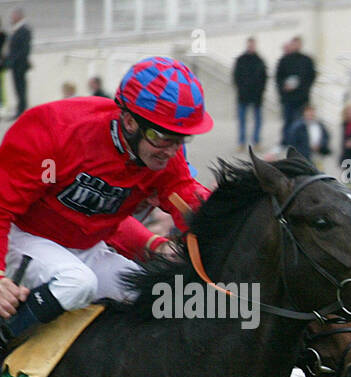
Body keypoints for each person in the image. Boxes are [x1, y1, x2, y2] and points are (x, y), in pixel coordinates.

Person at [0, 56, 212, 351]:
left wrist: (237, 218)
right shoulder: (54, 130)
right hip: (21, 237)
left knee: (159, 295)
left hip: (85, 250)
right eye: (162, 137)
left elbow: (190, 199)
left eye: (181, 139)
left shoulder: (164, 156)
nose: (172, 151)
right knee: (77, 282)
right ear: (128, 121)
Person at [275, 36, 316, 146]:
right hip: (288, 98)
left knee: (302, 121)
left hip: (302, 98)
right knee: (288, 121)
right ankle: (286, 142)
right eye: (294, 44)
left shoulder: (307, 60)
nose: (296, 46)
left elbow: (311, 77)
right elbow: (278, 77)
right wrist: (284, 87)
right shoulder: (284, 60)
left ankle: (301, 142)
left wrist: (302, 88)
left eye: (298, 44)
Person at [233, 37, 268, 150]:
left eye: (253, 45)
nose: (251, 47)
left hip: (257, 97)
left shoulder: (260, 61)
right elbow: (236, 77)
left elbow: (264, 78)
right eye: (249, 44)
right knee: (242, 120)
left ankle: (256, 142)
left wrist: (261, 91)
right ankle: (241, 142)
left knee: (258, 120)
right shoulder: (240, 60)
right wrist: (241, 89)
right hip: (243, 96)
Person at [284, 103, 330, 167]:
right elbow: (293, 141)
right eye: (308, 112)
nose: (311, 114)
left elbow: (326, 137)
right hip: (304, 156)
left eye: (312, 112)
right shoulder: (297, 127)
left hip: (317, 155)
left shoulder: (319, 125)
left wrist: (321, 145)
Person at [7, 8, 31, 119]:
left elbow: (24, 49)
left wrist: (16, 60)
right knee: (17, 88)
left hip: (20, 65)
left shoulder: (25, 30)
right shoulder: (15, 30)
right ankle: (20, 109)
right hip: (15, 64)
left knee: (21, 88)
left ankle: (22, 110)